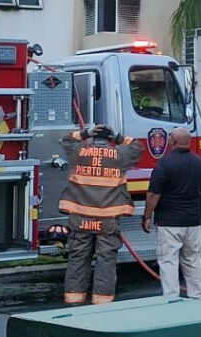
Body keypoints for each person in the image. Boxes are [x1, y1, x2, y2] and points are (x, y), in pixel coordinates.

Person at [58, 124, 144, 305]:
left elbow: (66, 140)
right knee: (106, 259)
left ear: (92, 137)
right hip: (107, 218)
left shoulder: (79, 152)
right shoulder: (120, 154)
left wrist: (84, 133)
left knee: (78, 257)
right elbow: (137, 147)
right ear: (109, 139)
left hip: (80, 217)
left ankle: (74, 299)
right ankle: (102, 301)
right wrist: (119, 137)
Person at [142, 128, 201, 299]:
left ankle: (171, 299)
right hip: (193, 221)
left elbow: (153, 194)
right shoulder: (199, 162)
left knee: (168, 261)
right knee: (193, 260)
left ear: (172, 142)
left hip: (169, 222)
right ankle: (198, 298)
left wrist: (147, 216)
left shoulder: (165, 164)